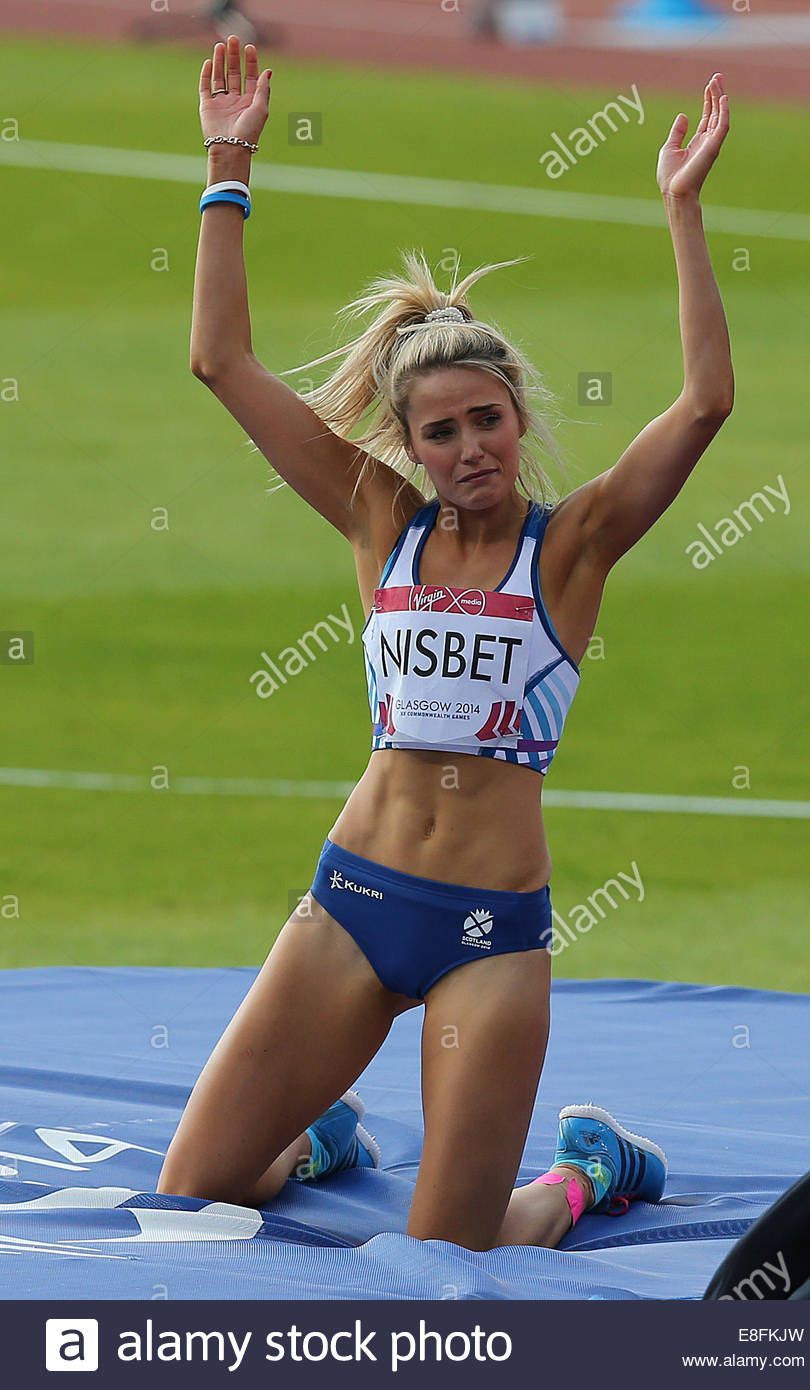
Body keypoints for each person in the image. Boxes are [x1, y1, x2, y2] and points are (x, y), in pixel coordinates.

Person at [156, 37, 732, 1253]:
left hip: (487, 939)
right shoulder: (378, 519)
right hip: (349, 904)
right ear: (406, 444)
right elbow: (218, 361)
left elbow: (702, 405)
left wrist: (680, 213)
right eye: (439, 431)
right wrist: (228, 164)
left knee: (449, 1255)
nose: (467, 448)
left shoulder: (570, 549)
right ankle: (321, 1139)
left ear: (518, 420)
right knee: (199, 1186)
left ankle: (585, 1174)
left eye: (486, 421)